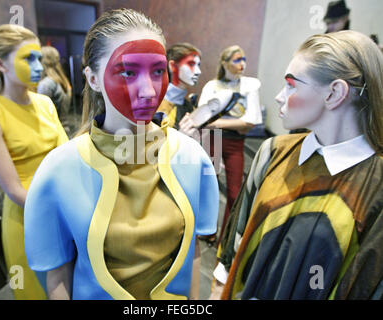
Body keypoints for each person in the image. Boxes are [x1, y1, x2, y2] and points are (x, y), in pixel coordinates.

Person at [24, 8, 219, 300]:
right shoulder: (58, 170)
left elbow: (192, 253)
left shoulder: (192, 158)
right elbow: (58, 275)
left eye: (157, 71)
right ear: (92, 79)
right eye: (128, 72)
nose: (149, 91)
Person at [215, 30, 383, 300]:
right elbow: (232, 252)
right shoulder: (273, 152)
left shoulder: (376, 186)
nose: (280, 96)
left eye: (292, 85)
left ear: (335, 93)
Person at [0, 24, 69, 300]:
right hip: (29, 216)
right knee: (35, 291)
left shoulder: (44, 102)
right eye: (28, 58)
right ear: (0, 64)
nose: (39, 65)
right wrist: (59, 210)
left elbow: (66, 156)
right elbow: (13, 189)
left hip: (64, 208)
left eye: (39, 57)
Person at [197, 45, 262, 246]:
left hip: (235, 142)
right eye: (236, 60)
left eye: (244, 59)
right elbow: (203, 118)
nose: (242, 64)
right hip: (213, 139)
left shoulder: (249, 86)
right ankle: (206, 230)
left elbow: (250, 123)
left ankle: (226, 236)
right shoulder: (212, 86)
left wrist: (218, 122)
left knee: (234, 193)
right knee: (209, 187)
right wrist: (233, 124)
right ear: (225, 63)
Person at [157, 42, 202, 131]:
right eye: (191, 64)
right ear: (173, 66)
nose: (198, 72)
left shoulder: (189, 106)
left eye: (198, 65)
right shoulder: (154, 102)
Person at [37, 46, 72, 133]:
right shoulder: (62, 80)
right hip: (64, 130)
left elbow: (42, 114)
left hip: (53, 131)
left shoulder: (46, 84)